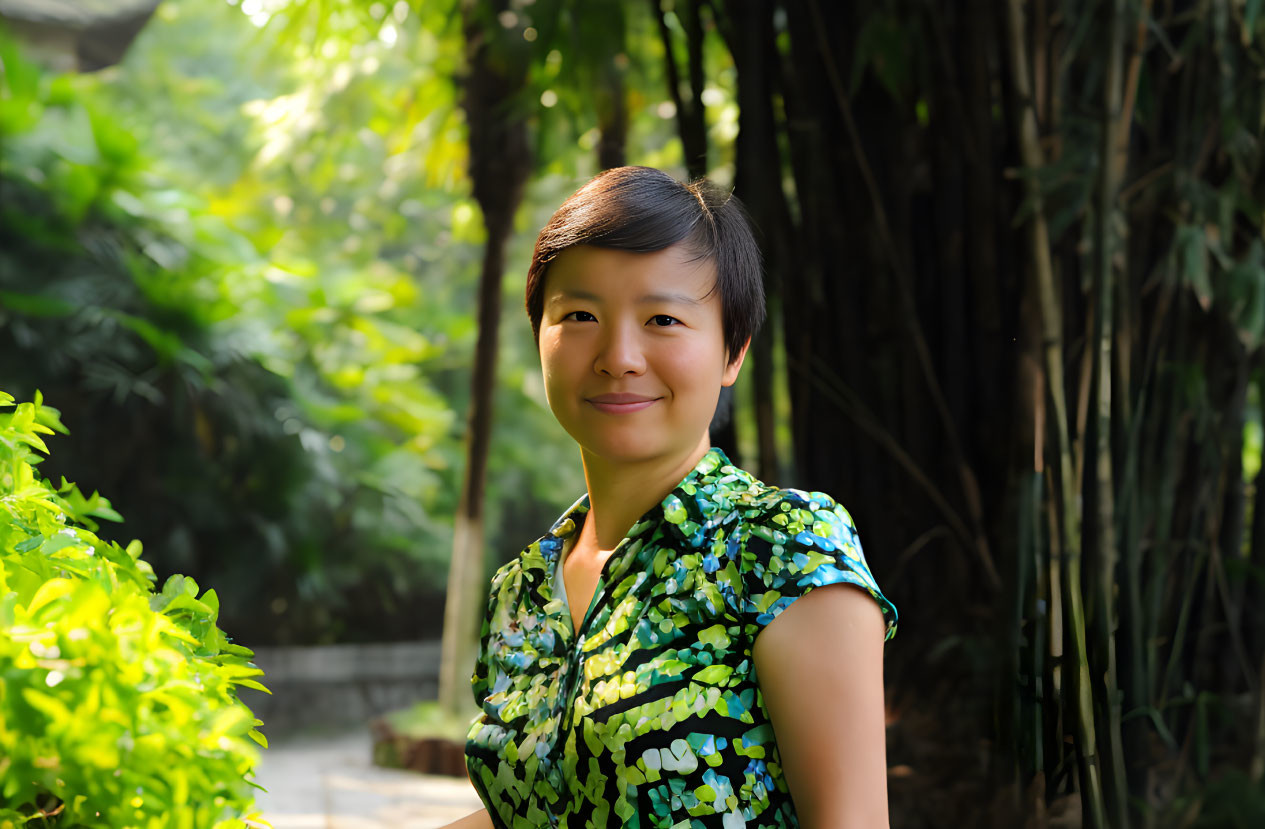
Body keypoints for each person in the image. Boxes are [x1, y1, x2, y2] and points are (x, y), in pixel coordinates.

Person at [443, 166, 897, 829]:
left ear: (731, 351)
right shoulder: (522, 591)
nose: (618, 355)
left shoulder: (779, 547)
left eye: (661, 318)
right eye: (579, 315)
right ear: (539, 334)